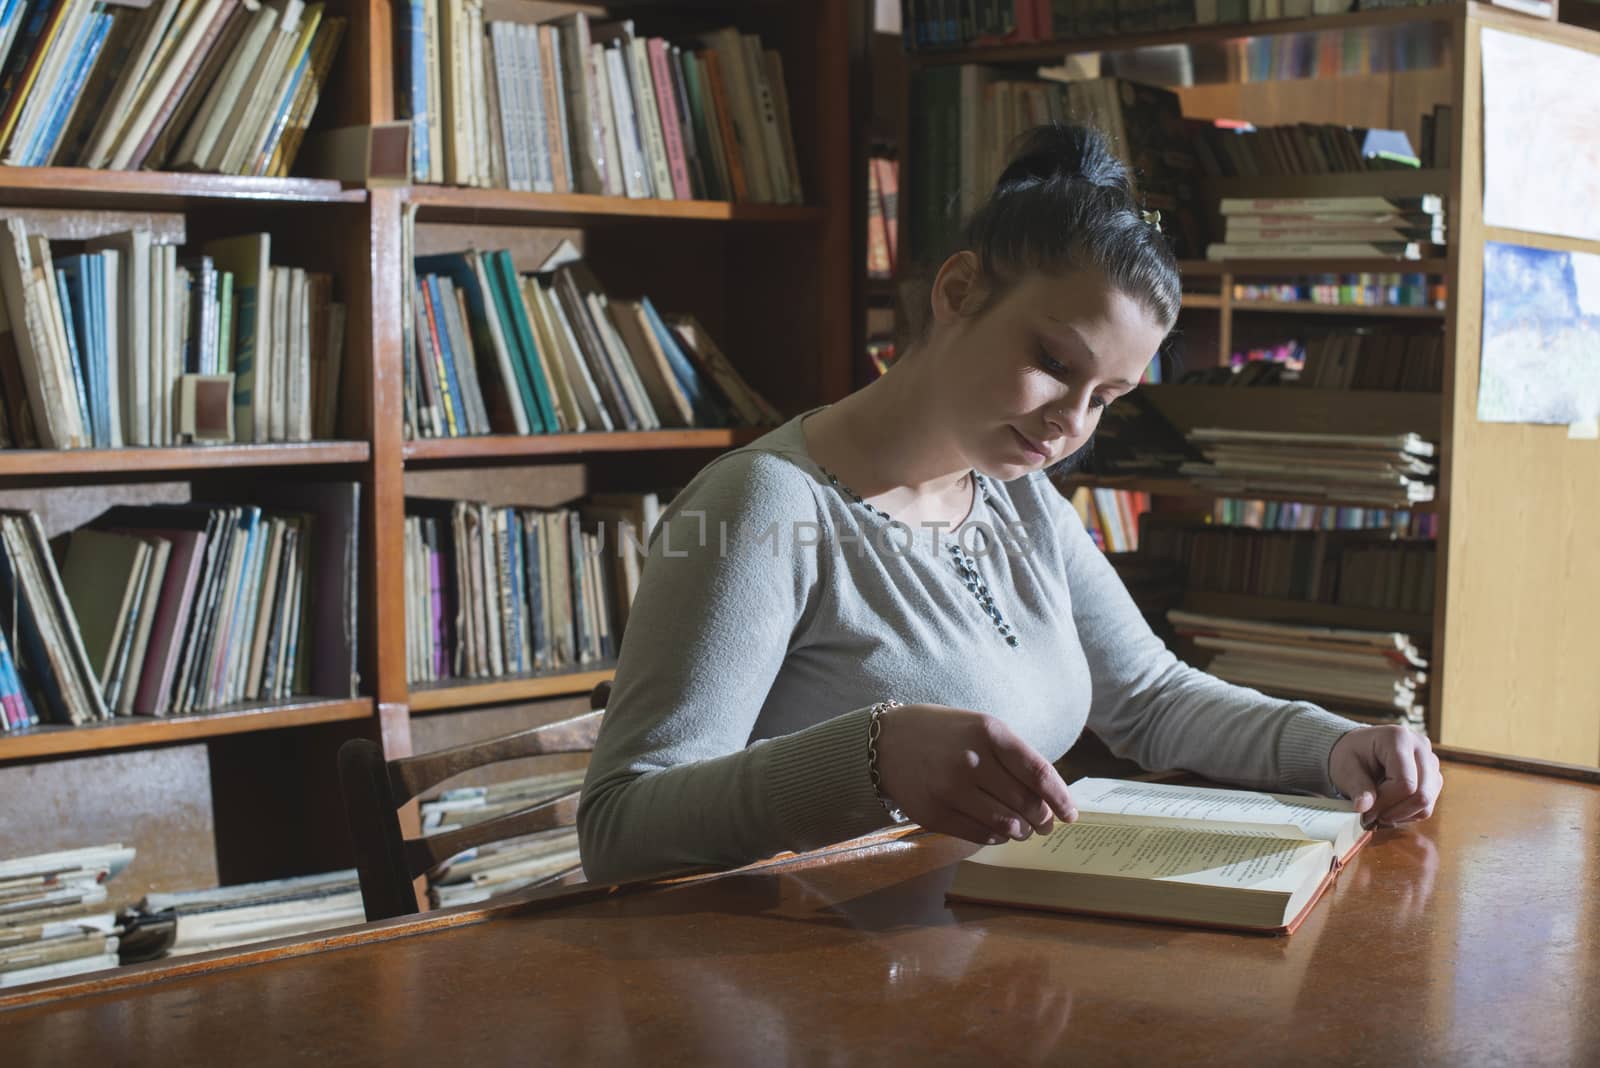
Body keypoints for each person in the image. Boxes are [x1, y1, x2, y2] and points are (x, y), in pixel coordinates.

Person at [577, 123, 1442, 885]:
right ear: (957, 292)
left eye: (1106, 397)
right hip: (790, 972)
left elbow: (1149, 696)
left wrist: (1330, 745)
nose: (1070, 423)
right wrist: (870, 758)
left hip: (965, 956)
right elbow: (620, 825)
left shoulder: (1018, 497)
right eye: (1055, 363)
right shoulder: (760, 505)